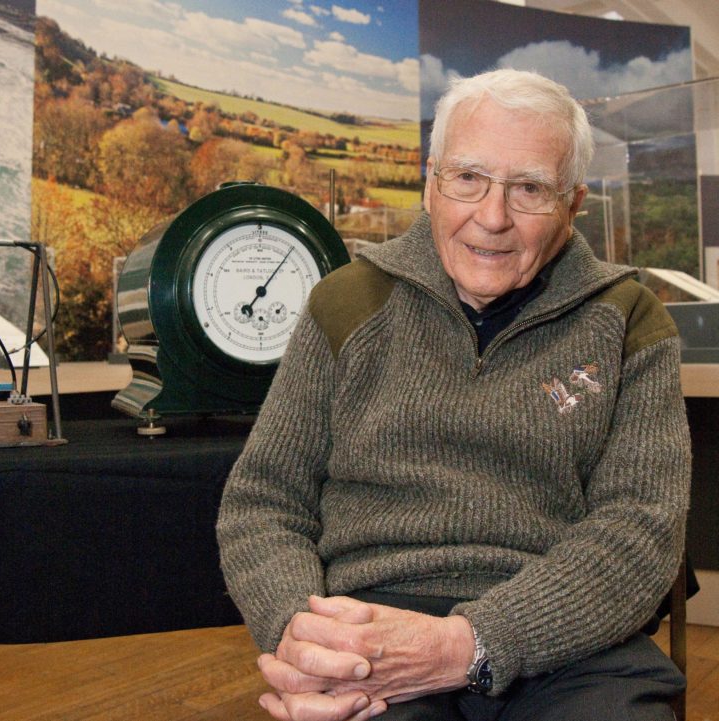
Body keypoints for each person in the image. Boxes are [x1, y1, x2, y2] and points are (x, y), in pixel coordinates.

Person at [216, 68, 690, 721]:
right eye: (468, 177)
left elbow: (642, 529)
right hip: (369, 628)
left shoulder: (630, 320)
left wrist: (470, 644)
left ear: (574, 204)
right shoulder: (344, 303)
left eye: (529, 189)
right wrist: (306, 639)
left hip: (568, 641)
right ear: (430, 182)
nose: (492, 218)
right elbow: (264, 502)